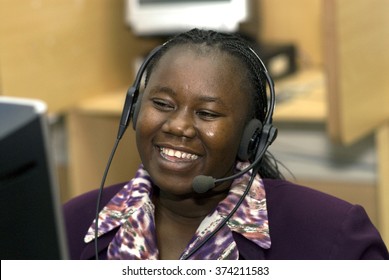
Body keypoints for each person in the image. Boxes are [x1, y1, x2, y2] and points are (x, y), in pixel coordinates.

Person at [63, 28, 389, 260]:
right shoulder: (69, 225)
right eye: (162, 104)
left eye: (207, 113)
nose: (178, 126)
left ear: (251, 138)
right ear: (133, 110)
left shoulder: (335, 241)